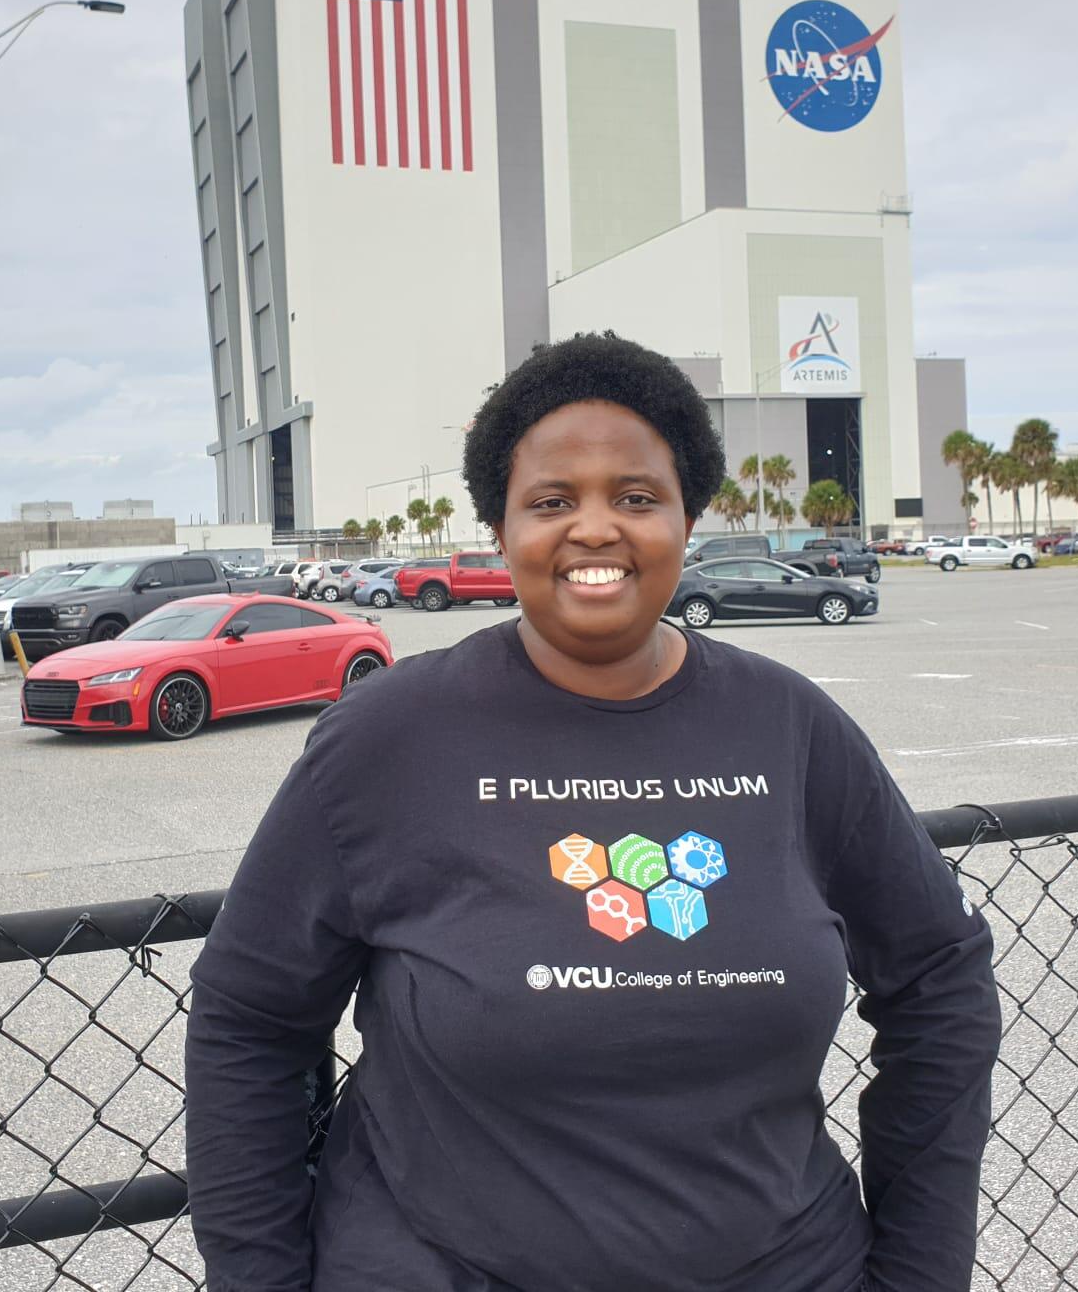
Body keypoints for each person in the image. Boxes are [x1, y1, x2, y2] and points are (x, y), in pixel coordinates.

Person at [185, 332, 1002, 1291]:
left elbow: (941, 979)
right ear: (500, 531)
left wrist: (918, 1270)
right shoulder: (389, 739)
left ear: (686, 520)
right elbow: (250, 1018)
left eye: (637, 497)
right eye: (551, 501)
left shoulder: (789, 728)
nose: (596, 529)